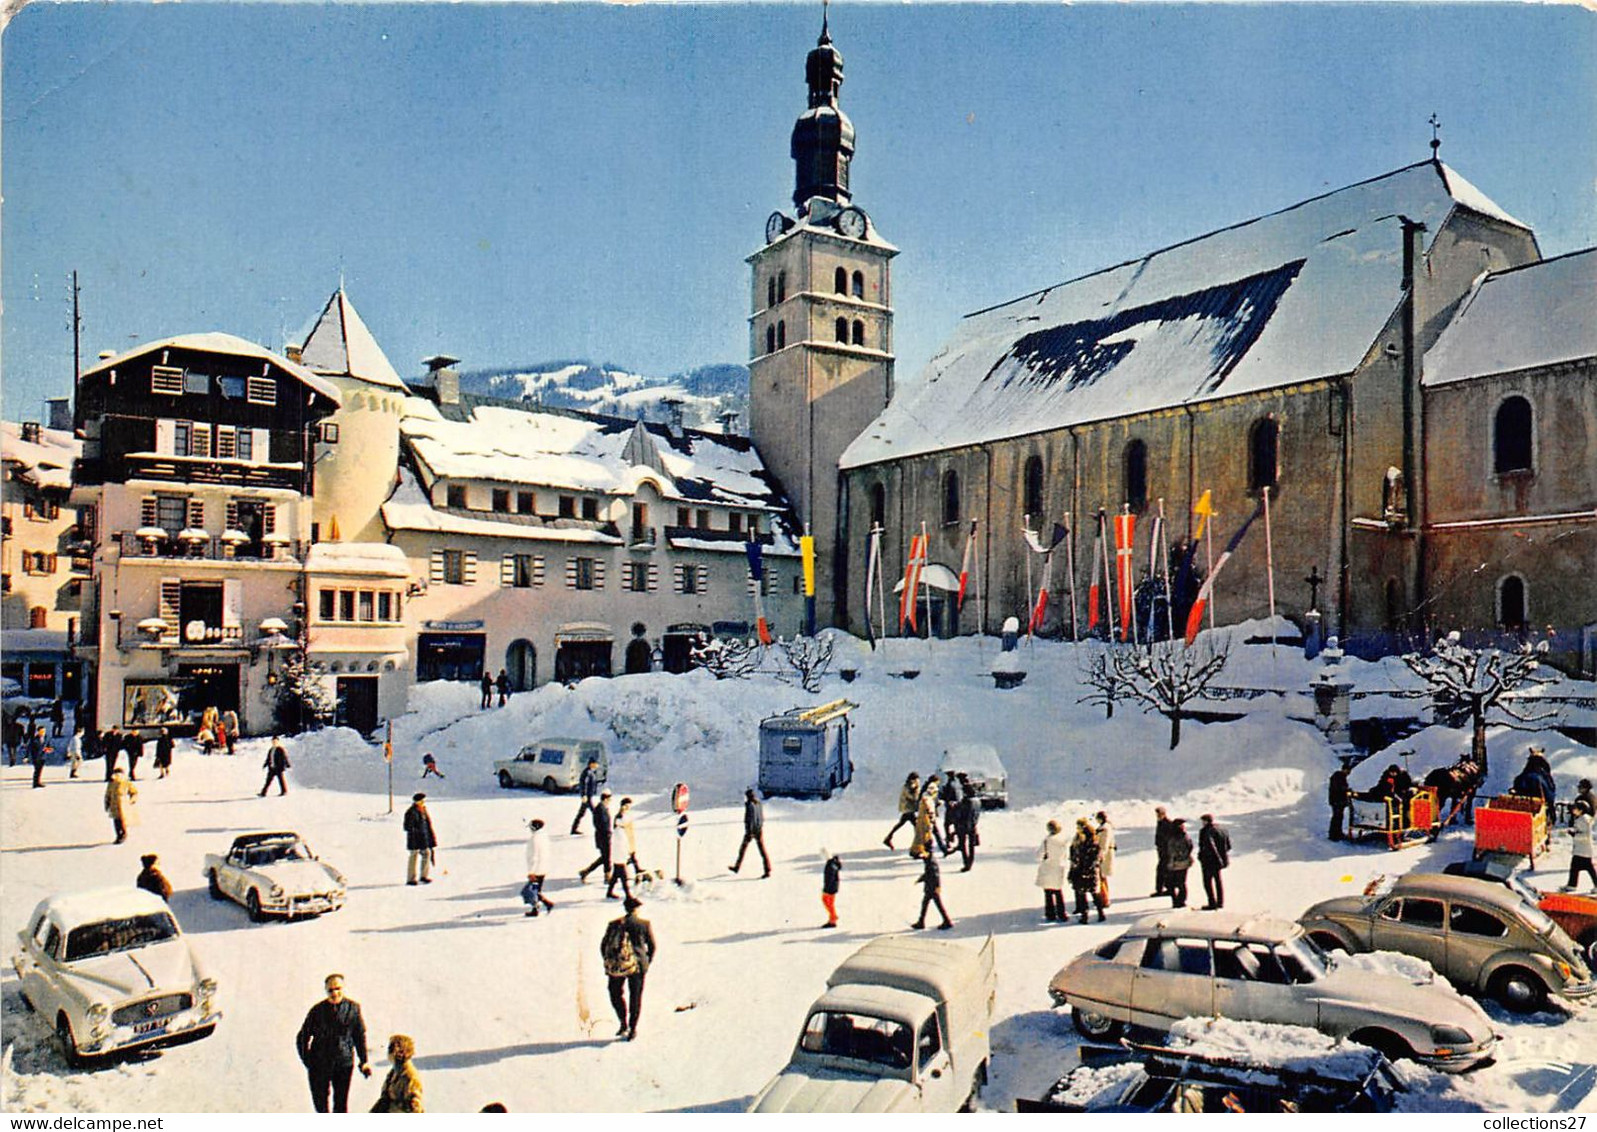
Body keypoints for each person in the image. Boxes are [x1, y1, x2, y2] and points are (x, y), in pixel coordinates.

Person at [297, 973, 373, 1113]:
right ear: (326, 991)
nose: (335, 993)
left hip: (343, 1064)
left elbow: (359, 1036)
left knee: (341, 1105)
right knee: (321, 1105)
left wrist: (364, 1061)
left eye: (338, 988)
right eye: (330, 990)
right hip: (320, 1064)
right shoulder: (317, 1011)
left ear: (343, 988)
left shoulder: (353, 1009)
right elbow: (302, 1038)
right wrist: (308, 1062)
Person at [600, 896, 657, 1041]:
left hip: (617, 965)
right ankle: (633, 1028)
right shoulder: (644, 924)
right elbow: (652, 947)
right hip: (637, 966)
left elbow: (603, 946)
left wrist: (611, 961)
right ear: (636, 909)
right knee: (635, 997)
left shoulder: (614, 924)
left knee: (615, 994)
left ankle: (622, 1022)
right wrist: (646, 962)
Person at [370, 1034, 424, 1113]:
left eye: (391, 1048)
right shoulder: (394, 1072)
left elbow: (414, 1107)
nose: (388, 1052)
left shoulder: (410, 1076)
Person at [1068, 818, 1105, 924]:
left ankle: (1085, 916)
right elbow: (1098, 859)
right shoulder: (1096, 845)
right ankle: (1101, 913)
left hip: (1081, 873)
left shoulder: (1081, 846)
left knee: (1082, 894)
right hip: (1093, 873)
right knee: (1095, 894)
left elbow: (1075, 859)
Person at [729, 787, 771, 877]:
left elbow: (749, 819)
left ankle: (737, 867)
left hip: (751, 831)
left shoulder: (749, 805)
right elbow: (761, 817)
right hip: (759, 829)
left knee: (743, 849)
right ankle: (767, 869)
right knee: (762, 850)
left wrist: (749, 832)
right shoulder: (759, 803)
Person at [1036, 820, 1068, 923]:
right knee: (1058, 891)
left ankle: (1050, 914)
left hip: (1048, 867)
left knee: (1048, 892)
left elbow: (1039, 855)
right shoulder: (1064, 840)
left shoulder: (1047, 840)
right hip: (1059, 866)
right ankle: (1062, 913)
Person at [1198, 813, 1232, 910]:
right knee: (1218, 881)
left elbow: (1209, 845)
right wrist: (1221, 857)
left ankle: (1212, 903)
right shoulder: (1223, 829)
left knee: (1207, 882)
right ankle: (1220, 902)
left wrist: (1204, 856)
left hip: (1209, 860)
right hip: (1220, 861)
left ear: (1205, 821)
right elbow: (1228, 846)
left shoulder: (1205, 831)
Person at [912, 852, 953, 930]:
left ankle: (946, 921)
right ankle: (921, 921)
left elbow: (934, 875)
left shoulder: (931, 862)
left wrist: (937, 887)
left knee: (934, 905)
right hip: (931, 887)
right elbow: (928, 873)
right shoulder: (929, 859)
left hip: (932, 888)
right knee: (928, 904)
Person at [523, 819, 555, 916]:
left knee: (530, 891)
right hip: (543, 867)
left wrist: (531, 872)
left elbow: (534, 856)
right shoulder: (543, 837)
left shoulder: (535, 839)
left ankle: (546, 904)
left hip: (537, 869)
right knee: (535, 890)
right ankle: (537, 908)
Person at [404, 793, 437, 885]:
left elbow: (427, 825)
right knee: (414, 856)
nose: (423, 802)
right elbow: (407, 827)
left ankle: (424, 876)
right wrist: (415, 832)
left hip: (424, 838)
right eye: (422, 801)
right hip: (415, 839)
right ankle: (411, 878)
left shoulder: (424, 810)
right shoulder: (411, 812)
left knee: (427, 854)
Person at [883, 772, 921, 850]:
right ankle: (918, 843)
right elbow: (912, 797)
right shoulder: (907, 787)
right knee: (917, 826)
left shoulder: (910, 786)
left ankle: (889, 837)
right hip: (908, 809)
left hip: (909, 809)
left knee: (902, 823)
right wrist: (917, 790)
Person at [951, 776, 980, 871]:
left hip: (963, 826)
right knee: (971, 846)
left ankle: (966, 863)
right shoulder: (977, 801)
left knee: (963, 845)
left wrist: (955, 807)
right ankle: (970, 862)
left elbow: (960, 813)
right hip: (973, 825)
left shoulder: (966, 801)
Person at [1567, 801, 1596, 893]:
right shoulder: (1581, 819)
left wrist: (1573, 834)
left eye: (1575, 809)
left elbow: (1585, 835)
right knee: (1578, 867)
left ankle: (1572, 885)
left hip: (1583, 849)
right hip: (1582, 849)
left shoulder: (1583, 820)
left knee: (1582, 867)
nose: (1573, 810)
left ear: (1581, 810)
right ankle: (1572, 885)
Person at [615, 797, 646, 880]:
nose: (629, 807)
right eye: (628, 805)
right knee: (626, 857)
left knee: (632, 856)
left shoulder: (626, 814)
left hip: (629, 838)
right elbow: (619, 826)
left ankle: (636, 869)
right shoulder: (620, 815)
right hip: (624, 839)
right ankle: (625, 872)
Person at [104, 769, 138, 844]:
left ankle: (121, 835)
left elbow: (107, 794)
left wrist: (107, 804)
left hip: (119, 802)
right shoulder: (117, 782)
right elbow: (134, 792)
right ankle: (121, 834)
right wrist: (132, 800)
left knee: (119, 820)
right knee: (119, 820)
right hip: (119, 802)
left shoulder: (118, 781)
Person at [1166, 818, 1194, 908]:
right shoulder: (1185, 836)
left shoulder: (1173, 837)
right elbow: (1190, 847)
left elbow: (1171, 850)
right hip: (1184, 862)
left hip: (1175, 863)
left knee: (1172, 883)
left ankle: (1177, 901)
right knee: (1181, 883)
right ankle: (1180, 901)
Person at [571, 757, 602, 835]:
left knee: (581, 813)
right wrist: (584, 795)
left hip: (588, 796)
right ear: (591, 764)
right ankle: (599, 828)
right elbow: (584, 784)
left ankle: (574, 829)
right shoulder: (587, 772)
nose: (597, 765)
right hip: (587, 797)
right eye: (596, 764)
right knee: (595, 812)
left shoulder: (591, 772)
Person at [1153, 805, 1175, 896]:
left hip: (1167, 851)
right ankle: (1167, 888)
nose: (1158, 816)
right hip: (1162, 851)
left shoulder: (1168, 823)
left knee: (1163, 870)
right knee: (1164, 870)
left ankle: (1162, 889)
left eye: (1159, 814)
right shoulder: (1160, 822)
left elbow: (1170, 838)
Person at [1095, 811, 1116, 909]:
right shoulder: (1106, 827)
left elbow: (1104, 844)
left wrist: (1100, 856)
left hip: (1105, 855)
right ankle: (1104, 897)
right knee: (1102, 877)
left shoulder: (1105, 829)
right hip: (1107, 853)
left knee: (1101, 877)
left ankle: (1104, 899)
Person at [1328, 767, 1351, 841]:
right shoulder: (1338, 777)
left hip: (1337, 801)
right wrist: (1347, 790)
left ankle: (1337, 833)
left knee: (1338, 817)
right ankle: (1334, 835)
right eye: (1348, 771)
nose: (1349, 773)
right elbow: (1339, 788)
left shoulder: (1339, 776)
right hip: (1337, 801)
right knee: (1337, 817)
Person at [821, 851, 842, 928]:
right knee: (830, 903)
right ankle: (832, 917)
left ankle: (833, 917)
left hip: (830, 887)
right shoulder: (833, 864)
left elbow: (830, 877)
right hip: (834, 886)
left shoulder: (830, 865)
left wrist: (826, 889)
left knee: (826, 901)